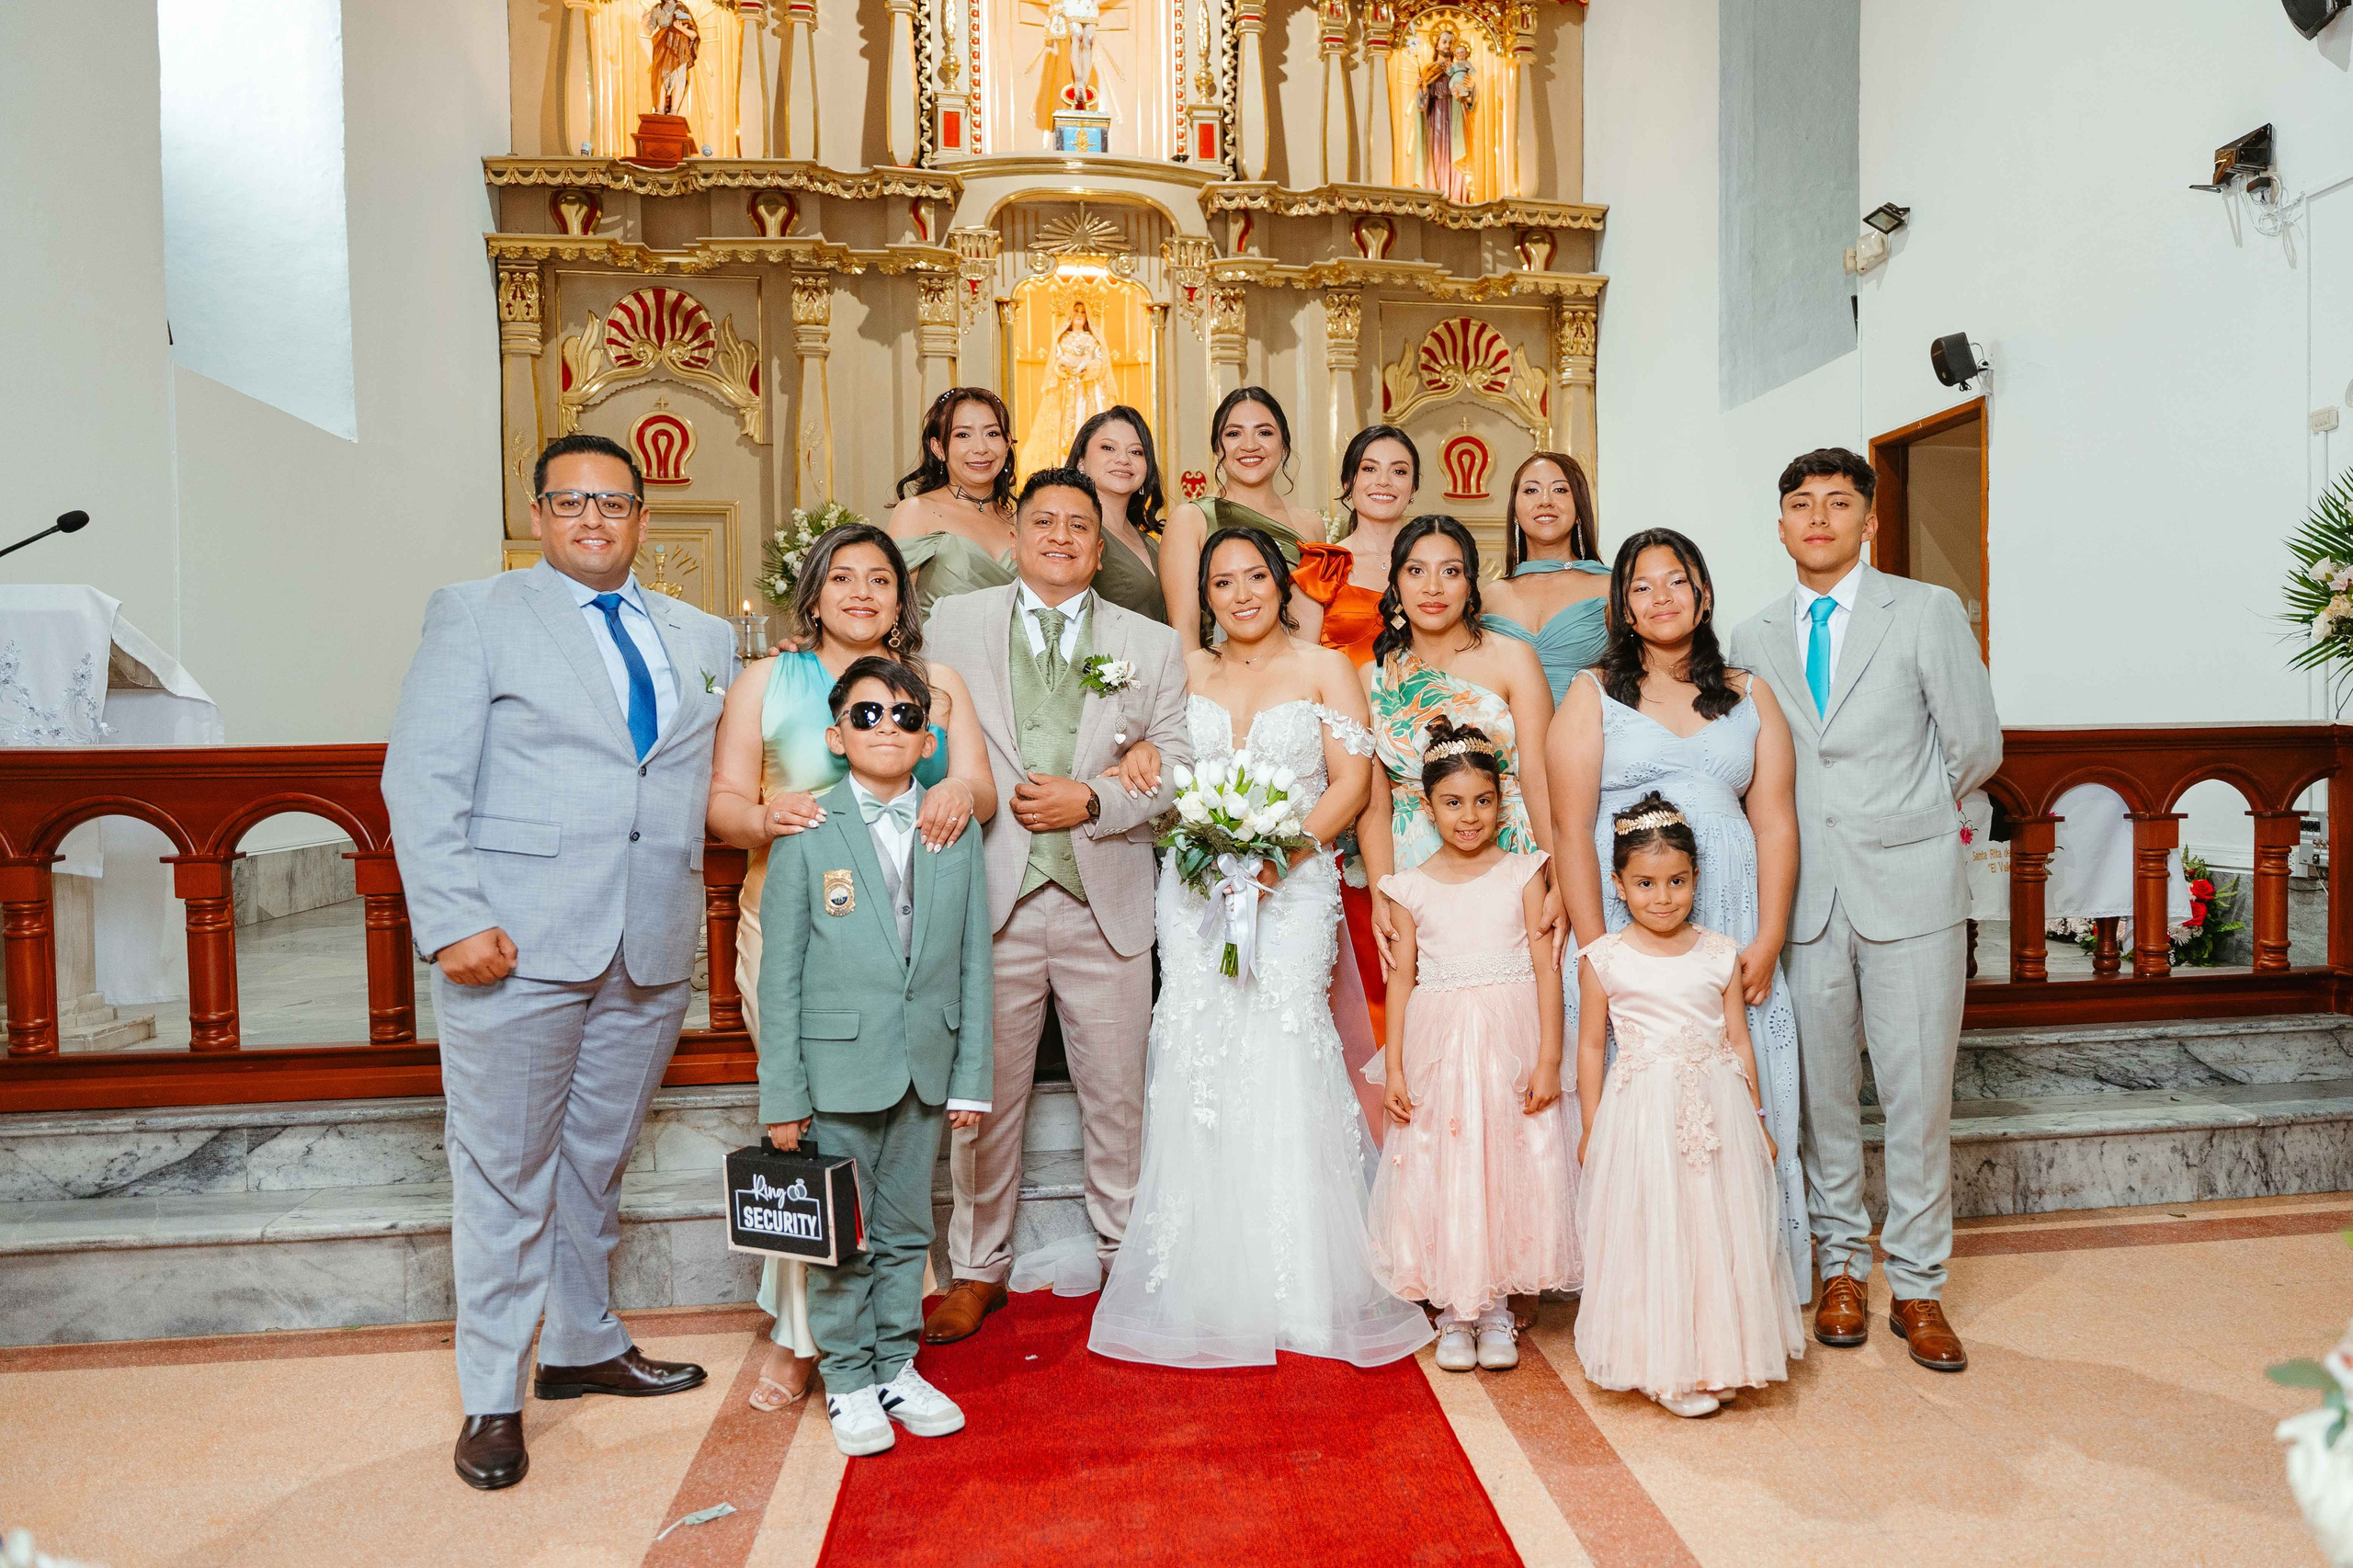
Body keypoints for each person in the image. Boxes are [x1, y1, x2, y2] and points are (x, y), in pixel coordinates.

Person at [383, 433, 735, 1491]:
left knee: (595, 1160)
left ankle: (582, 1341)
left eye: (614, 502)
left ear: (642, 516)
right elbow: (421, 775)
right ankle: (493, 1391)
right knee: (503, 1173)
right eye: (571, 500)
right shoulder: (477, 613)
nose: (593, 518)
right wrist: (451, 920)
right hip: (516, 941)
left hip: (646, 939)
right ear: (539, 513)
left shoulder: (704, 633)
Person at [1089, 528, 1431, 1369]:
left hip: (1297, 883)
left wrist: (1279, 860)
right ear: (1204, 596)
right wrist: (1139, 753)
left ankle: (1301, 1282)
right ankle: (1202, 1278)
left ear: (1282, 585)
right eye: (1221, 582)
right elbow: (1153, 761)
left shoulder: (1324, 669)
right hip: (1197, 888)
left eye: (1254, 578)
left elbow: (1353, 782)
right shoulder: (1186, 670)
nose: (1240, 594)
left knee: (1283, 1043)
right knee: (1199, 1045)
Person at [705, 523, 998, 1411]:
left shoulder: (933, 686)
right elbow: (723, 804)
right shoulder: (772, 678)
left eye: (881, 579)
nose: (863, 593)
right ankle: (812, 1343)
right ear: (814, 591)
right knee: (819, 1144)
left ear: (903, 598)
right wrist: (774, 819)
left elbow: (978, 790)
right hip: (799, 929)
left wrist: (956, 789)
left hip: (915, 939)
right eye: (843, 578)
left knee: (892, 1153)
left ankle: (881, 1353)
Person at [1726, 448, 2001, 1373]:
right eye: (1799, 503)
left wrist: (1908, 824)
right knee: (1821, 1098)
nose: (1816, 518)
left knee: (1919, 1092)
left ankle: (1918, 1281)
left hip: (1909, 884)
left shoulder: (1923, 611)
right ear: (1778, 523)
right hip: (1800, 894)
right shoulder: (1753, 633)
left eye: (1836, 502)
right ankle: (1840, 1263)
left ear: (1868, 519)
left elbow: (1973, 743)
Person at [921, 467, 1194, 1343]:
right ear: (1017, 536)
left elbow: (1179, 764)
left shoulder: (1147, 640)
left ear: (1098, 542)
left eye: (1080, 525)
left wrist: (1100, 800)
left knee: (1116, 1096)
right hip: (989, 892)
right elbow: (922, 734)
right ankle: (977, 1267)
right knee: (985, 1098)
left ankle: (1125, 1256)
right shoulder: (954, 625)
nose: (1063, 537)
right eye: (1044, 522)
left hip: (1102, 892)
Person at [1544, 528, 1808, 1299]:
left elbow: (1777, 822)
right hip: (1629, 926)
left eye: (1677, 582)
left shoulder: (1750, 692)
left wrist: (1770, 934)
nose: (1661, 599)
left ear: (1703, 594)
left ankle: (1741, 1286)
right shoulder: (1593, 694)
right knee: (1638, 1094)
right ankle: (1642, 1291)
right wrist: (1599, 953)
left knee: (1735, 1081)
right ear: (1622, 607)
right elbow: (1569, 827)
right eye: (1642, 587)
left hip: (1728, 919)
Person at [755, 657, 995, 1456]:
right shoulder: (807, 831)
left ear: (928, 737)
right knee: (842, 1240)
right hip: (835, 1074)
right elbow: (781, 974)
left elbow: (972, 964)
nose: (885, 727)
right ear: (835, 735)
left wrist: (972, 1077)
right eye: (866, 715)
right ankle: (849, 1378)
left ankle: (898, 1364)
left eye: (903, 715)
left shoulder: (951, 830)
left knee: (904, 1232)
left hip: (925, 1068)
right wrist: (783, 1094)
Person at [1572, 793, 1805, 1417]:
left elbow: (1738, 1041)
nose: (1663, 896)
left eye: (1676, 881)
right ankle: (1661, 1366)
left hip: (1716, 1110)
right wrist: (1593, 1127)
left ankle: (1712, 1356)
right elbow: (1592, 1047)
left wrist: (1757, 1120)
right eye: (1645, 883)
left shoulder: (1719, 952)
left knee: (1711, 1228)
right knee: (1655, 1231)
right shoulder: (1603, 959)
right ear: (1619, 885)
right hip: (1642, 1113)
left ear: (1696, 880)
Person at [1367, 718, 1577, 1375]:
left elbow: (1547, 968)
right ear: (1427, 807)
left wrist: (1548, 1056)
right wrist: (1395, 1065)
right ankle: (1456, 1310)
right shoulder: (1408, 886)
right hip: (1441, 1046)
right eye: (1453, 803)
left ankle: (1497, 1312)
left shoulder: (1524, 872)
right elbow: (1402, 980)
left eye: (1483, 801)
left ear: (1502, 800)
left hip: (1510, 1041)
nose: (1469, 816)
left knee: (1508, 1161)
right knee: (1450, 1162)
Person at [1359, 517, 1559, 947]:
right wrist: (1383, 892)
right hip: (1415, 864)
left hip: (1510, 854)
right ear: (1395, 584)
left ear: (1471, 583)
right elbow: (1374, 805)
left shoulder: (1513, 658)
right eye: (1416, 571)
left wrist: (1558, 877)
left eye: (1450, 571)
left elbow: (1542, 780)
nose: (1433, 587)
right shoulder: (1370, 678)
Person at [1159, 387, 1343, 653]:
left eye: (1264, 432)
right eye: (1234, 434)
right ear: (1216, 447)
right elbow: (1184, 627)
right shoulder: (1192, 519)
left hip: (1296, 675)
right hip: (1219, 677)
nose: (1249, 445)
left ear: (1284, 446)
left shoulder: (1310, 524)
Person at [1479, 452, 1610, 705]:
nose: (1545, 501)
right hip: (1503, 741)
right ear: (1515, 511)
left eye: (1560, 490)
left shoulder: (1610, 587)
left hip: (1588, 738)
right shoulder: (1490, 595)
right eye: (1531, 491)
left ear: (1579, 509)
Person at [888, 387, 1019, 613]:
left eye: (992, 434)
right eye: (963, 435)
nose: (981, 448)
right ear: (938, 448)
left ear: (1007, 443)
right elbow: (890, 606)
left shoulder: (1019, 520)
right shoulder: (916, 512)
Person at [1314, 425, 1420, 668]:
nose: (1383, 481)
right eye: (1369, 469)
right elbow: (1302, 667)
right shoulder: (1322, 566)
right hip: (1340, 704)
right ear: (1348, 482)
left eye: (1399, 471)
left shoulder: (1434, 566)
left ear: (1413, 486)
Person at [1066, 405, 1169, 623]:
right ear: (1081, 462)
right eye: (1108, 448)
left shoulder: (1151, 543)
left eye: (1136, 452)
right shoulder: (1073, 534)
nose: (1123, 459)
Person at [1021, 300, 1115, 478]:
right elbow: (1057, 359)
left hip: (1088, 388)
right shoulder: (1063, 339)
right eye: (1076, 311)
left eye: (1082, 312)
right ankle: (1067, 465)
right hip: (1067, 390)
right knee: (1064, 425)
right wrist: (1064, 367)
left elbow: (1099, 360)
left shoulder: (1093, 339)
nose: (1079, 315)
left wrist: (1088, 369)